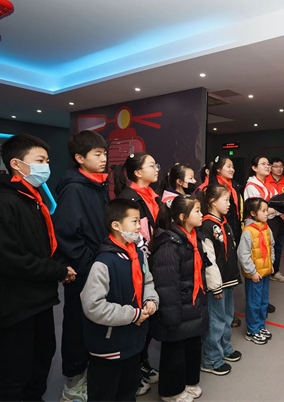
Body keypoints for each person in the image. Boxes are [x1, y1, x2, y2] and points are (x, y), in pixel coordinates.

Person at [0, 134, 77, 401]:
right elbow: (7, 258)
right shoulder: (2, 203)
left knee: (40, 360)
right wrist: (57, 271)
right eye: (40, 160)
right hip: (12, 305)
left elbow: (41, 246)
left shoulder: (30, 199)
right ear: (16, 164)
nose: (46, 166)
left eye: (47, 161)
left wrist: (59, 265)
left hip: (37, 300)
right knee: (12, 373)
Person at [80, 198, 159, 401]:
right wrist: (134, 314)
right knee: (105, 393)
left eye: (139, 221)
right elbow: (93, 306)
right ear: (116, 225)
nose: (139, 226)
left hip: (133, 341)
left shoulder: (138, 255)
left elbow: (147, 282)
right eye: (134, 221)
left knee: (128, 389)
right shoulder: (104, 262)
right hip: (109, 346)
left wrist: (151, 300)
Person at [53, 130, 110, 400]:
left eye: (105, 154)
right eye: (97, 154)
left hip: (99, 267)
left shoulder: (97, 185)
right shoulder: (74, 189)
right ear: (79, 158)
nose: (104, 159)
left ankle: (91, 374)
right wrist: (90, 264)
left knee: (95, 324)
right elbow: (66, 235)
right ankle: (73, 382)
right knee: (77, 326)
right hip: (85, 271)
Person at [150, 195, 208, 402]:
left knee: (192, 346)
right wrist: (171, 315)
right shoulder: (169, 245)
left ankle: (188, 382)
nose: (202, 214)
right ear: (183, 217)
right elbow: (166, 285)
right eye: (197, 211)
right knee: (174, 350)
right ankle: (171, 391)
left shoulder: (193, 238)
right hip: (177, 305)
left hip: (192, 303)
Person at [113, 153, 162, 394]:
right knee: (136, 317)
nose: (156, 169)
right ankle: (132, 372)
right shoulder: (128, 198)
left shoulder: (152, 195)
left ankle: (142, 362)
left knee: (149, 316)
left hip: (151, 263)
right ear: (138, 172)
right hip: (135, 263)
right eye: (152, 165)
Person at [199, 185, 242, 375]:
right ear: (212, 202)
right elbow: (208, 259)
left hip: (228, 279)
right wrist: (215, 286)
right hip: (216, 283)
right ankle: (211, 359)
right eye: (226, 200)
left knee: (227, 317)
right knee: (215, 321)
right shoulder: (207, 226)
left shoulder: (223, 222)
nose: (229, 203)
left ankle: (224, 348)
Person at [206, 157, 243, 327]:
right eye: (229, 166)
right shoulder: (213, 189)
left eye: (233, 166)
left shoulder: (233, 187)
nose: (232, 169)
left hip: (230, 230)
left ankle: (229, 316)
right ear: (218, 170)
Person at [237, 197, 275, 345]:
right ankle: (252, 331)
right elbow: (243, 254)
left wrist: (271, 263)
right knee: (254, 303)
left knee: (263, 301)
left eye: (267, 210)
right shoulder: (248, 231)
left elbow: (271, 246)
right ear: (253, 213)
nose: (267, 213)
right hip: (255, 275)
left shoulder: (266, 228)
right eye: (263, 211)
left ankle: (260, 326)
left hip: (265, 272)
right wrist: (252, 272)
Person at [243, 156, 278, 312]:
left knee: (264, 257)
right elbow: (262, 210)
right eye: (263, 164)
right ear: (254, 168)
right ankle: (254, 307)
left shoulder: (267, 185)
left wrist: (274, 210)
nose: (267, 166)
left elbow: (274, 208)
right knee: (255, 261)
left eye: (268, 164)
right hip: (254, 226)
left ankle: (261, 304)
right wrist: (273, 210)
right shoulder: (251, 186)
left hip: (265, 225)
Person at [265, 157, 284, 283]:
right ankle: (265, 271)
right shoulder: (265, 181)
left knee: (279, 246)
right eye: (276, 166)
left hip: (282, 219)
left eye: (281, 166)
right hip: (268, 219)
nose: (279, 169)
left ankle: (275, 271)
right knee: (267, 246)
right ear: (270, 168)